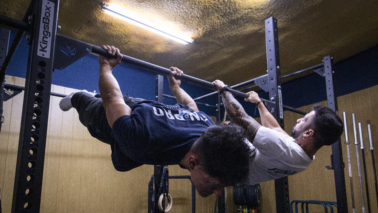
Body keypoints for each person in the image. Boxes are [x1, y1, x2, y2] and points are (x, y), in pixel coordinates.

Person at [59, 45, 254, 197]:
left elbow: (191, 107)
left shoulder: (209, 131)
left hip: (147, 112)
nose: (219, 193)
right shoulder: (140, 140)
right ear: (193, 162)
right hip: (117, 118)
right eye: (217, 185)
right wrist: (106, 66)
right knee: (89, 112)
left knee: (124, 160)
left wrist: (176, 87)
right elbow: (112, 98)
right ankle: (80, 97)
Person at [213, 80, 343, 184]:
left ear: (308, 133)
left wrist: (224, 90)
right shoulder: (305, 157)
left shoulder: (284, 150)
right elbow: (275, 129)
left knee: (201, 120)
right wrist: (259, 103)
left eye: (304, 120)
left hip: (223, 166)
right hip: (233, 169)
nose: (298, 120)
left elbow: (240, 118)